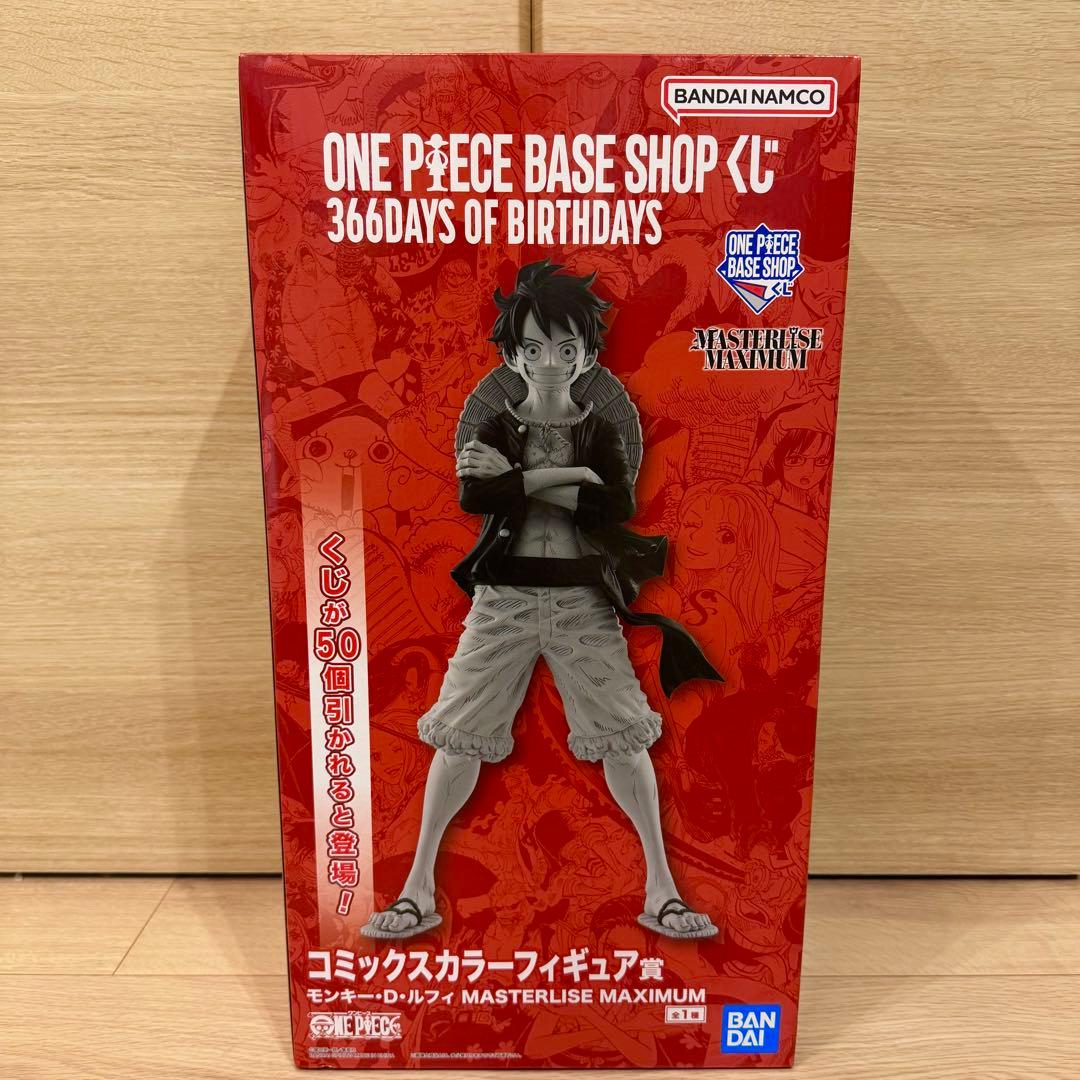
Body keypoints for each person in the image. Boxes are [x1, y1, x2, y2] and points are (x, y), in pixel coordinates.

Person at [361, 260, 722, 941]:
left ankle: (663, 892)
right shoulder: (496, 426)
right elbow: (477, 494)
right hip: (503, 598)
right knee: (458, 734)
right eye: (532, 348)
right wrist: (568, 477)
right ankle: (417, 891)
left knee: (624, 736)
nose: (548, 362)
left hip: (584, 600)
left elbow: (613, 504)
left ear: (586, 355)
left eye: (563, 348)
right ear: (512, 356)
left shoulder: (603, 429)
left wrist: (526, 478)